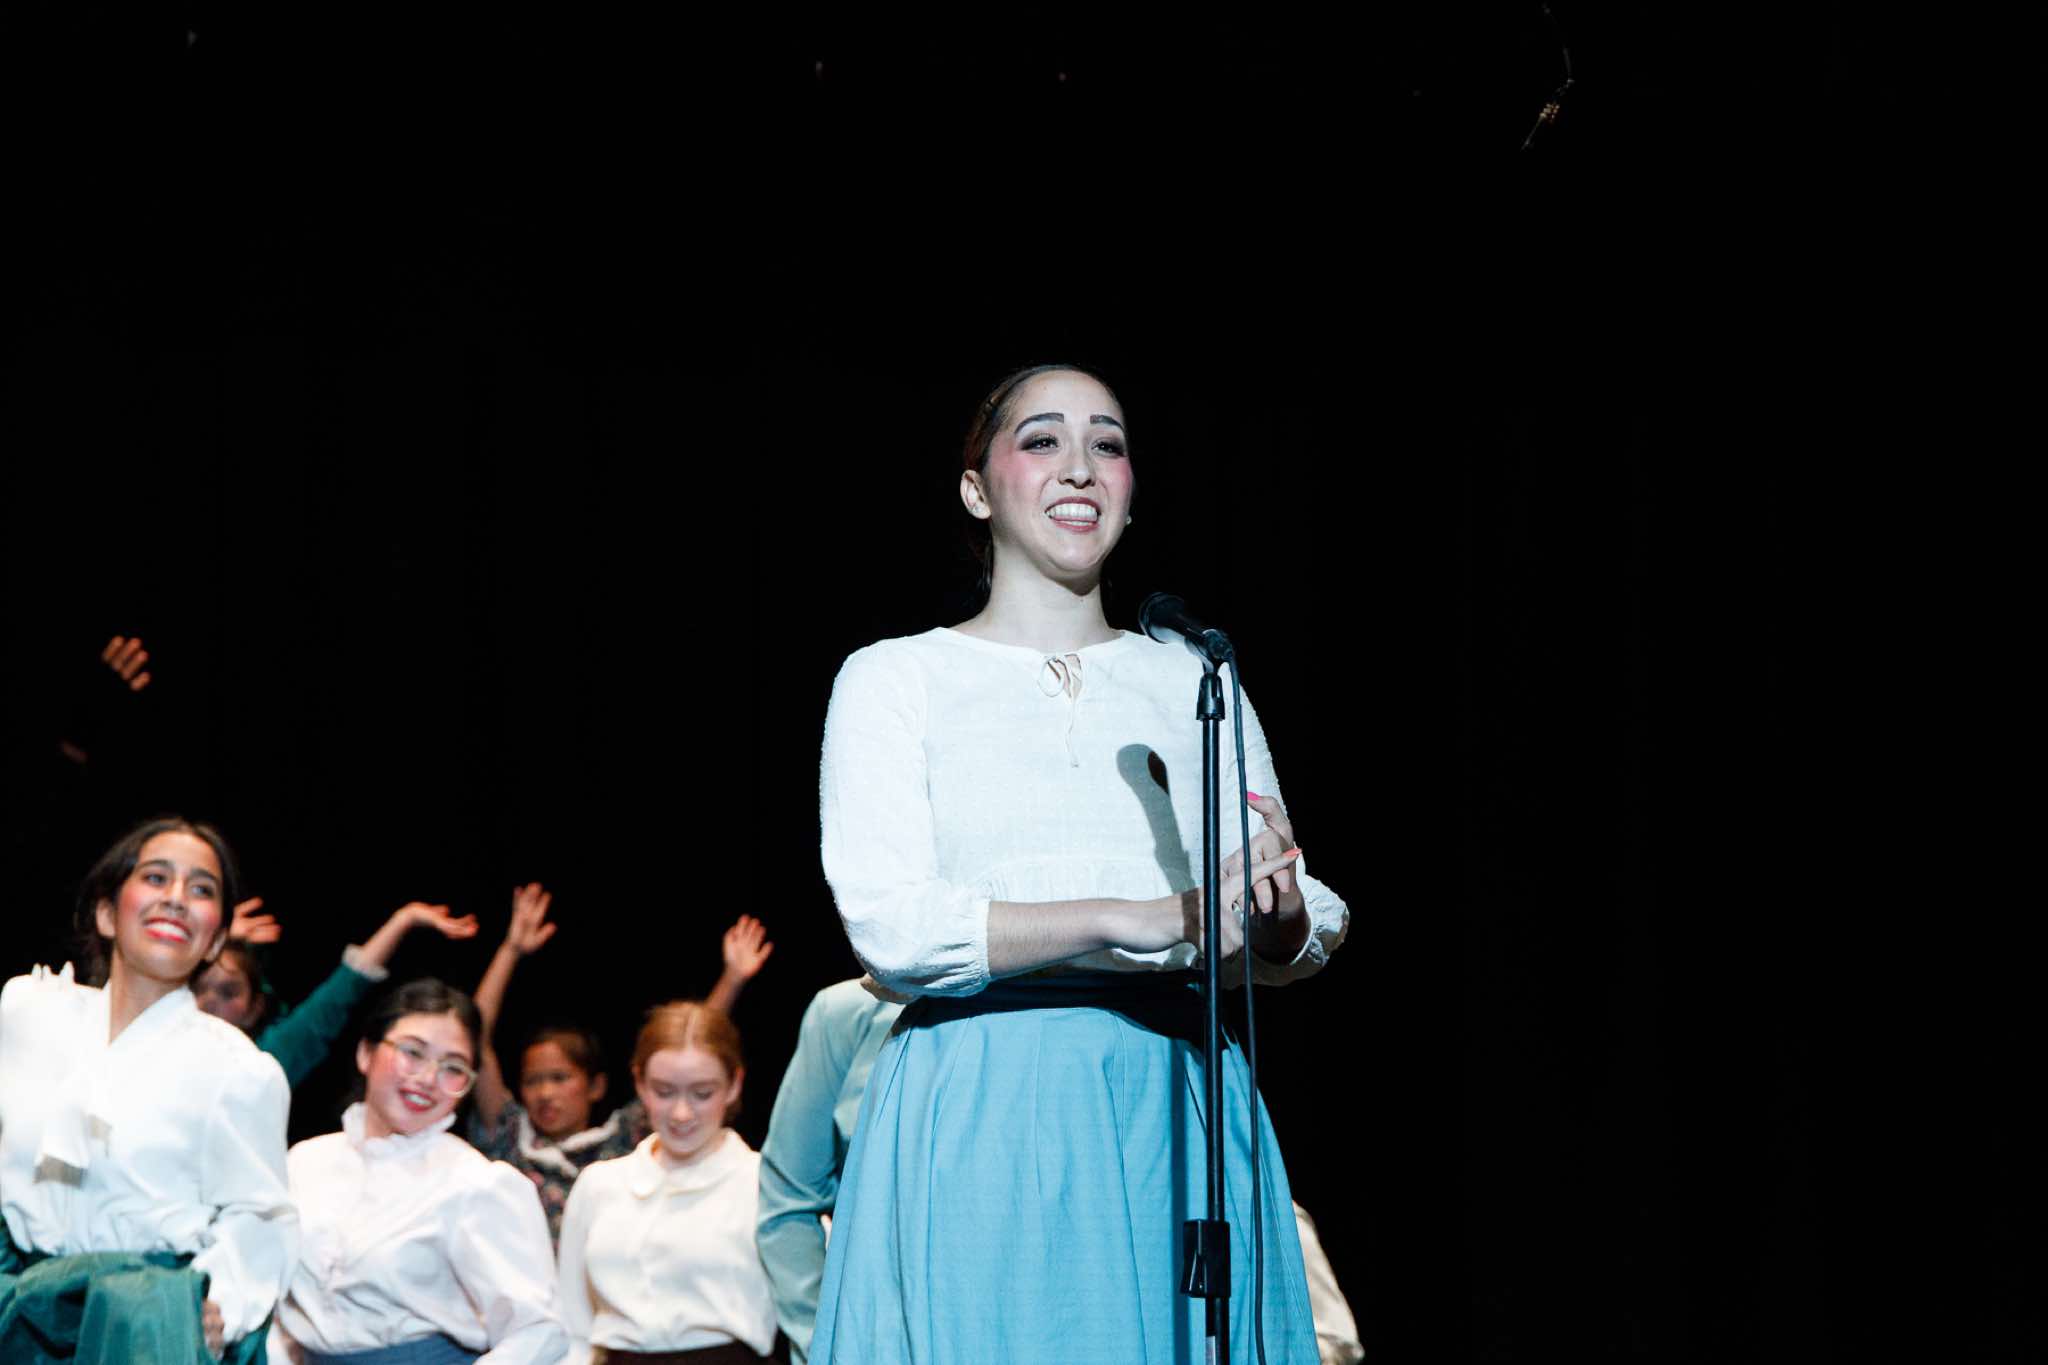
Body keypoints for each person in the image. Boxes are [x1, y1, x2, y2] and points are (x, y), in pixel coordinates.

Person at [811, 364, 1350, 1363]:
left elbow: (1289, 911)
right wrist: (1136, 915)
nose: (1080, 466)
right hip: (979, 1092)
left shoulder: (1193, 674)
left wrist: (1275, 913)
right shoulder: (896, 677)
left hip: (1169, 1094)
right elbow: (893, 925)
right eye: (1042, 439)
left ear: (1131, 492)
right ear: (976, 488)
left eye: (1107, 443)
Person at [759, 980, 1367, 1365]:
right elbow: (789, 1199)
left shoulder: (1148, 1015)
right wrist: (830, 1338)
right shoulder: (848, 1016)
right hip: (925, 1312)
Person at [0, 816, 297, 1364]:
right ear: (107, 912)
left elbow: (263, 1216)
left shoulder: (236, 1069)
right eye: (157, 878)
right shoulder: (29, 1013)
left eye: (201, 889)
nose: (177, 898)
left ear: (216, 939)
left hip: (136, 1325)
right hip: (17, 1313)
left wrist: (220, 1303)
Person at [269, 978, 566, 1364]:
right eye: (412, 1052)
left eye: (453, 1067)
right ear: (366, 1053)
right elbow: (276, 1298)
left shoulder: (475, 1183)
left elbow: (540, 1331)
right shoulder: (306, 1162)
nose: (427, 1078)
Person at [468, 884, 774, 1242]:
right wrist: (510, 949)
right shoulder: (511, 1140)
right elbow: (474, 1042)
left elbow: (687, 1052)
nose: (546, 1093)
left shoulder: (621, 1142)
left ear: (595, 1085)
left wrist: (731, 980)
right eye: (533, 1081)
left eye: (560, 1078)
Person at [556, 1001, 777, 1364]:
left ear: (734, 1084)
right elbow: (572, 1325)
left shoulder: (765, 1183)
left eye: (702, 1093)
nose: (681, 1113)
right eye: (664, 1091)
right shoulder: (600, 1185)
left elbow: (822, 1301)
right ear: (639, 1083)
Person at [755, 979, 903, 1365]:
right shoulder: (848, 1013)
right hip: (876, 1341)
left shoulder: (1054, 1014)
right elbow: (789, 1200)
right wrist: (824, 1344)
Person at [196, 899, 480, 1088]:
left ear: (254, 1008)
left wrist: (403, 919)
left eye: (228, 992)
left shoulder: (263, 1063)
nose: (207, 1001)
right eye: (195, 987)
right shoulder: (166, 1042)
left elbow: (337, 994)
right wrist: (208, 940)